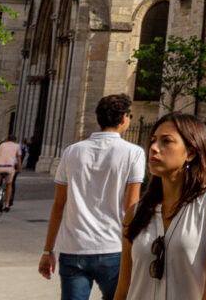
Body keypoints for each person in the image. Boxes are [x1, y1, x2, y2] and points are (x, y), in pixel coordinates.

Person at [113, 113, 206, 300]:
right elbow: (123, 288)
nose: (153, 148)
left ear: (191, 153)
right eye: (153, 141)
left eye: (166, 141)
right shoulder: (136, 213)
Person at [39, 93, 146, 300]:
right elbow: (131, 206)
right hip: (113, 247)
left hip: (74, 248)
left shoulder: (72, 152)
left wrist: (48, 250)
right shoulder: (134, 153)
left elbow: (59, 205)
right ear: (124, 118)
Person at [0, 134, 23, 211]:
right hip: (9, 167)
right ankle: (7, 204)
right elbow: (19, 159)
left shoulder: (2, 145)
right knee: (9, 184)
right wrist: (19, 169)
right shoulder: (16, 146)